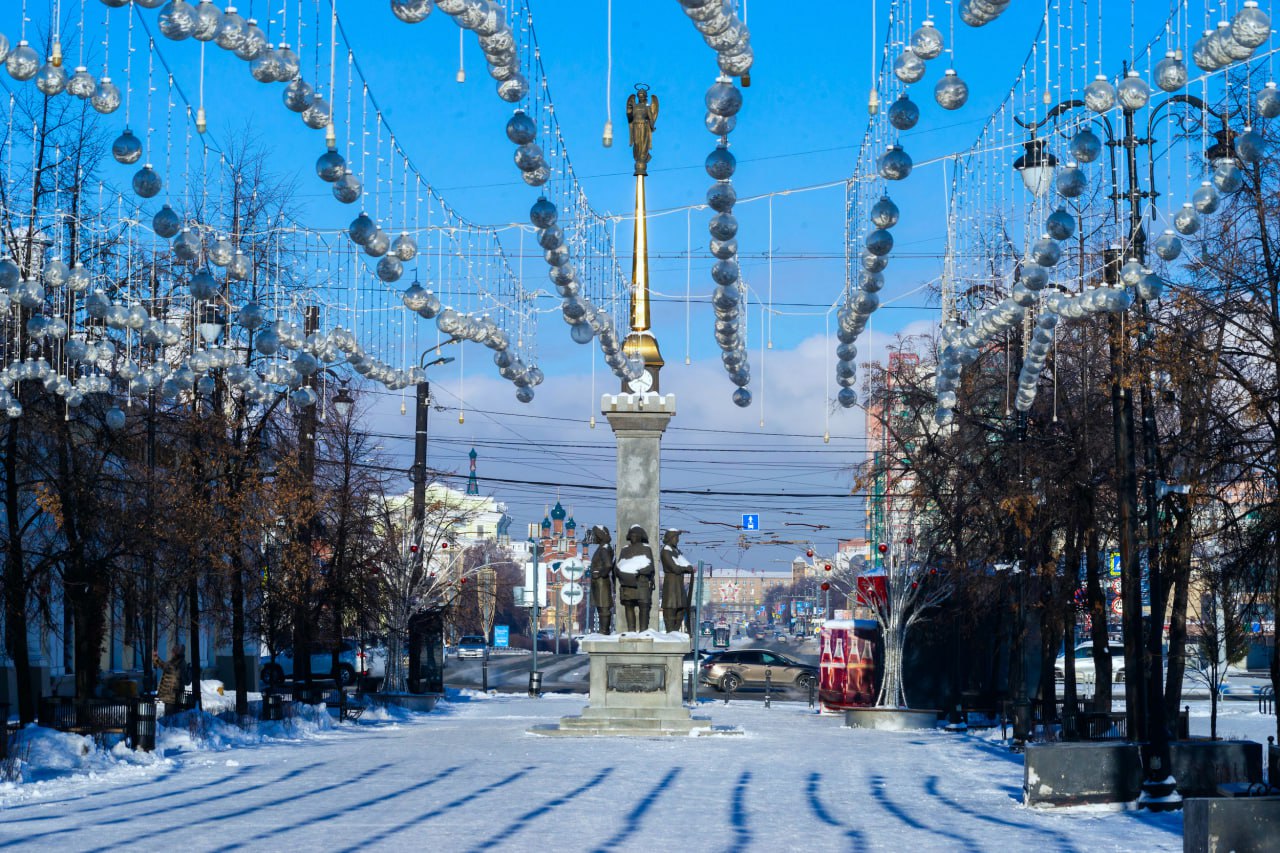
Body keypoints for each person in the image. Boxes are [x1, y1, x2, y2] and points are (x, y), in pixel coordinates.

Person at [614, 525, 655, 631]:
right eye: (631, 535)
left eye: (635, 535)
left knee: (644, 606)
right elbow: (619, 564)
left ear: (640, 536)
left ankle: (643, 630)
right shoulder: (625, 549)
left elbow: (650, 567)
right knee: (628, 605)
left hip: (642, 582)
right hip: (627, 583)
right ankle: (630, 630)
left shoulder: (646, 548)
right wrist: (619, 572)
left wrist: (639, 571)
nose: (633, 537)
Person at [660, 529, 695, 634]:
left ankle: (675, 633)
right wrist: (686, 568)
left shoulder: (675, 551)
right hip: (671, 586)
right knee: (671, 609)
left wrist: (688, 567)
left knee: (681, 610)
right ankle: (670, 633)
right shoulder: (666, 551)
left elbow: (686, 564)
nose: (678, 540)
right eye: (676, 537)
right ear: (670, 538)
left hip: (678, 586)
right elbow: (675, 568)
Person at [587, 526, 616, 635]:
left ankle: (604, 630)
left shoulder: (604, 548)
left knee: (603, 607)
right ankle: (603, 630)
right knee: (601, 607)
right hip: (599, 582)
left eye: (595, 535)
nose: (593, 537)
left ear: (599, 536)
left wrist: (599, 574)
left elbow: (608, 564)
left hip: (601, 582)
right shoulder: (602, 547)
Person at [154, 644, 186, 715]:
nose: (172, 653)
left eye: (174, 652)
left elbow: (166, 666)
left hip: (173, 694)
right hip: (171, 694)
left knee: (170, 715)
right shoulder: (177, 662)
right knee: (172, 714)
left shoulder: (178, 663)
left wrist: (156, 658)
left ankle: (171, 726)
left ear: (177, 653)